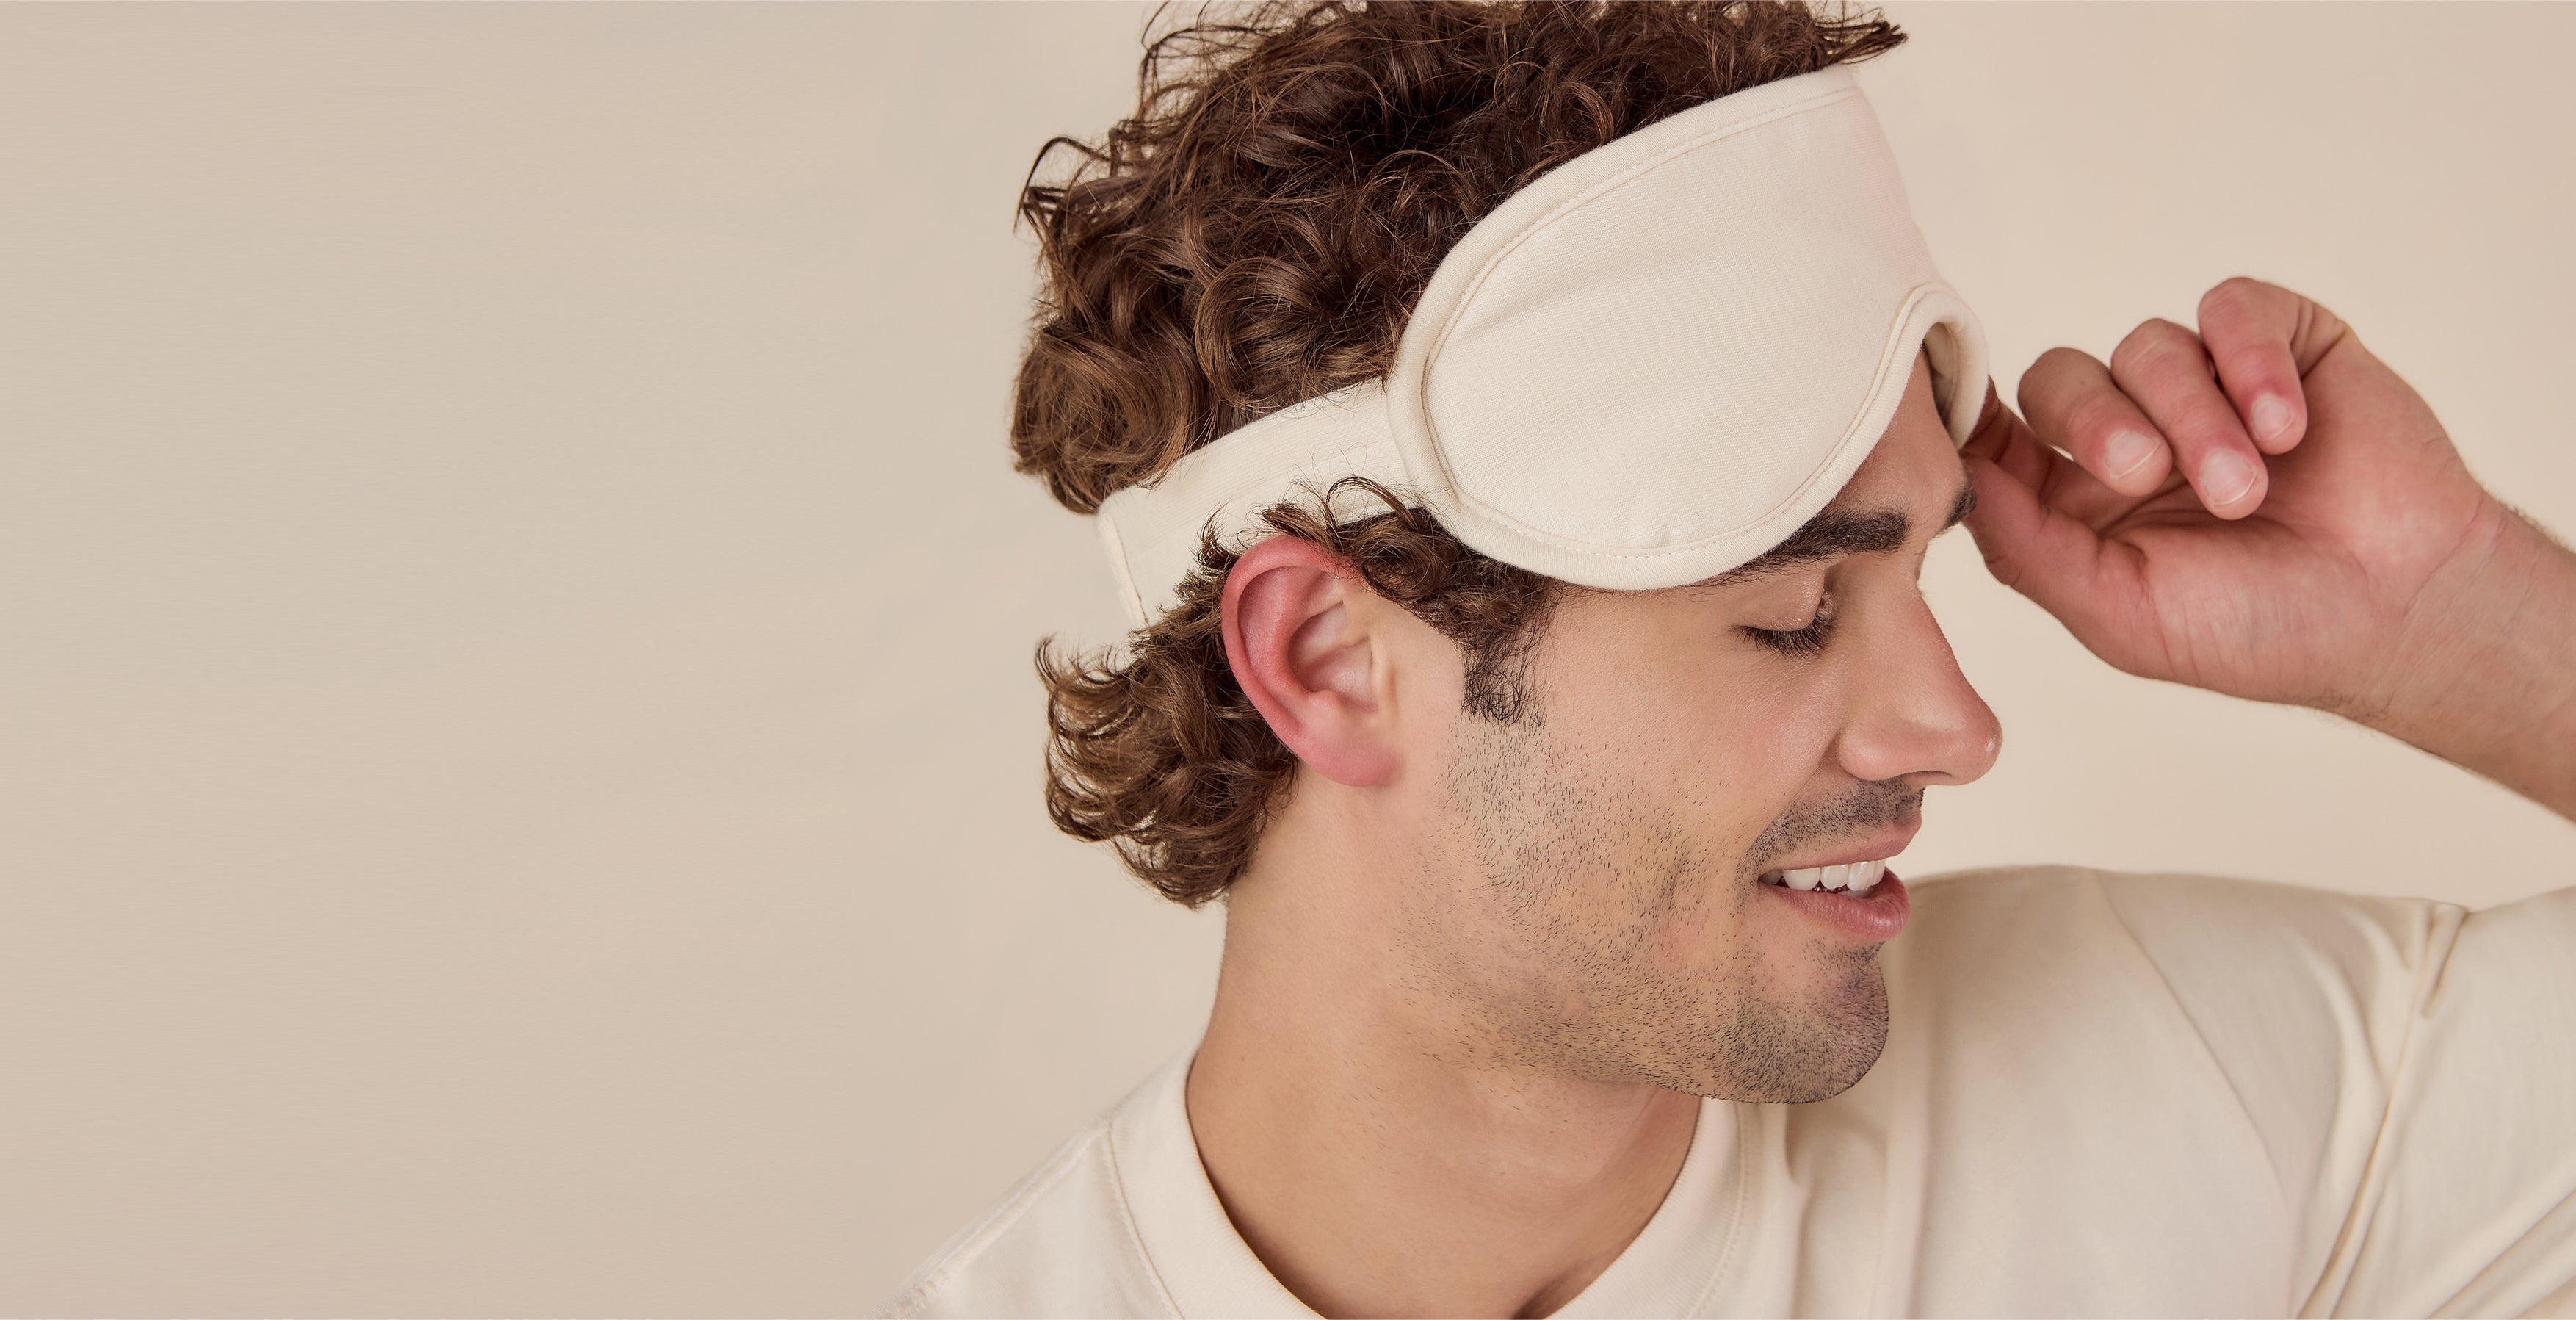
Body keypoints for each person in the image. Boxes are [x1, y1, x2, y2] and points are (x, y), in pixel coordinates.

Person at [882, 3, 2576, 1316]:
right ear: (1324, 658)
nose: (1956, 726)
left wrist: (2462, 616)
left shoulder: (2154, 1085)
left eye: (1923, 568)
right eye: (1790, 611)